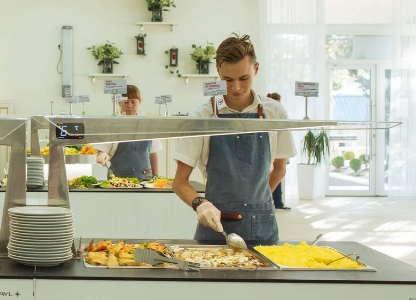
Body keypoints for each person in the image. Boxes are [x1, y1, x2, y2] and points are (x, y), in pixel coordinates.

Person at [172, 34, 296, 243]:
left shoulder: (275, 113)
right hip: (215, 227)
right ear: (218, 71)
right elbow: (179, 182)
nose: (236, 87)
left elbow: (280, 168)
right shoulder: (202, 116)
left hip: (263, 225)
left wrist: (259, 203)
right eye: (228, 80)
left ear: (256, 69)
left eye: (244, 78)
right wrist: (200, 204)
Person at [95, 85, 162, 179]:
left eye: (133, 102)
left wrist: (156, 177)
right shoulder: (112, 125)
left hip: (146, 179)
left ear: (139, 102)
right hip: (118, 180)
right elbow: (102, 151)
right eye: (125, 102)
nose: (129, 105)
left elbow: (153, 154)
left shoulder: (148, 124)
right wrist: (102, 155)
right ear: (119, 103)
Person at [266, 92, 291, 211]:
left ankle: (277, 202)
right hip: (269, 155)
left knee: (278, 175)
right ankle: (274, 202)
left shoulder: (279, 113)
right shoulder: (267, 114)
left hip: (277, 154)